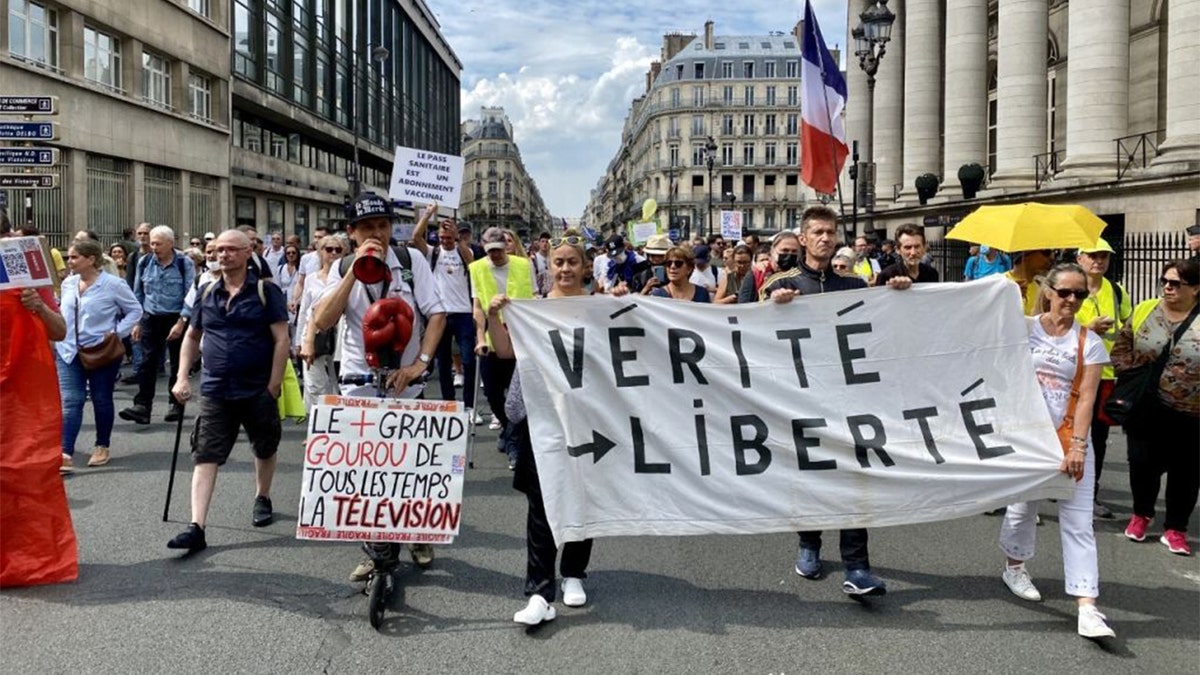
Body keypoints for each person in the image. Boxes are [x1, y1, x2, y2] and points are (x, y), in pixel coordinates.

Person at [761, 206, 910, 597]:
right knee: (812, 474)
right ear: (804, 238)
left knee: (854, 477)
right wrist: (772, 304)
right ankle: (809, 542)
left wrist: (897, 295)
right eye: (818, 232)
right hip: (802, 398)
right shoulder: (781, 283)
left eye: (831, 232)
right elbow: (754, 330)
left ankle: (857, 566)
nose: (825, 238)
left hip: (848, 399)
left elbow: (880, 328)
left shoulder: (854, 286)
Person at [486, 231, 622, 626]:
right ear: (551, 267)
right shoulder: (533, 309)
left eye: (572, 262)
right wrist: (496, 317)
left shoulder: (601, 308)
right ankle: (539, 591)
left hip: (588, 417)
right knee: (541, 505)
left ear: (585, 267)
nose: (565, 268)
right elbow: (506, 351)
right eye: (559, 262)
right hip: (542, 417)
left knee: (583, 493)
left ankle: (575, 573)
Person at [311, 193, 446, 579]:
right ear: (351, 233)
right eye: (368, 228)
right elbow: (323, 320)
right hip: (360, 380)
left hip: (406, 380)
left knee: (409, 464)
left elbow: (435, 316)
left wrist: (420, 365)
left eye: (383, 226)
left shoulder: (410, 260)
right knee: (367, 468)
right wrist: (356, 270)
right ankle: (374, 549)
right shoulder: (342, 267)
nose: (378, 234)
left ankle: (417, 531)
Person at [998, 262, 1115, 640]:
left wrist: (1079, 445)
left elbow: (1087, 401)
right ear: (1047, 291)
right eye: (1064, 291)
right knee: (1022, 508)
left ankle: (1087, 606)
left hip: (1069, 439)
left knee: (1079, 522)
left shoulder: (1089, 342)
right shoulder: (1023, 329)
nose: (1071, 300)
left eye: (1079, 294)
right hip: (1028, 440)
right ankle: (1014, 566)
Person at [166, 230, 291, 552]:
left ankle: (262, 496)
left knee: (264, 446)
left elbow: (281, 339)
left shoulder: (266, 291)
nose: (223, 255)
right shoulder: (207, 292)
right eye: (219, 250)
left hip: (256, 388)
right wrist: (181, 377)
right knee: (205, 453)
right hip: (215, 388)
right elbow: (192, 336)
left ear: (248, 252)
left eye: (231, 250)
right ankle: (197, 526)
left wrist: (274, 386)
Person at [1112, 259, 1199, 556]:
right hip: (1146, 406)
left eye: (1176, 283)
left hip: (1192, 411)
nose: (1167, 287)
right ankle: (1141, 514)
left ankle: (1175, 528)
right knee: (1142, 463)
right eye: (1164, 281)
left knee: (1186, 472)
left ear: (1196, 288)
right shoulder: (1145, 309)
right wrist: (1132, 374)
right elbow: (1121, 346)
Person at [54, 240, 142, 472]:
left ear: (91, 259)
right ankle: (65, 452)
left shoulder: (113, 284)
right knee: (72, 401)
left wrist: (116, 333)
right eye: (69, 257)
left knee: (102, 399)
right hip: (68, 350)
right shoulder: (68, 283)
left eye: (74, 257)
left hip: (101, 351)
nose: (69, 261)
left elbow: (135, 310)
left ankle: (102, 445)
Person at [1071, 238, 1132, 520]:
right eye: (1093, 255)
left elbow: (1129, 327)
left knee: (1097, 436)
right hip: (1069, 373)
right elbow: (1053, 324)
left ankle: (1089, 494)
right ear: (1080, 258)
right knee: (1062, 431)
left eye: (1104, 256)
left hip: (1104, 374)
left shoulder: (1117, 291)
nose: (1099, 261)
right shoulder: (1068, 288)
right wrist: (1087, 328)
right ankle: (1054, 483)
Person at [470, 227, 536, 462]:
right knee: (492, 392)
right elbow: (477, 307)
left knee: (518, 395)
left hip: (520, 337)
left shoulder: (523, 265)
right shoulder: (476, 268)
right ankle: (510, 430)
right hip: (491, 336)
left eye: (498, 250)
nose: (495, 255)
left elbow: (534, 299)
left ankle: (513, 443)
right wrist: (479, 338)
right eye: (490, 251)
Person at [412, 205, 480, 423]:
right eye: (442, 237)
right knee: (443, 363)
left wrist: (458, 238)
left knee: (469, 361)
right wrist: (428, 215)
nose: (445, 240)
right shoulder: (434, 253)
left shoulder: (464, 252)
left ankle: (470, 405)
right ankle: (449, 403)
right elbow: (416, 237)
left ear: (456, 236)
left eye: (449, 237)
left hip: (463, 314)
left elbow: (473, 264)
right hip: (440, 314)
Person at [121, 225, 193, 425]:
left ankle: (175, 404)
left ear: (170, 243)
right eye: (152, 243)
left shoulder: (183, 262)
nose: (153, 247)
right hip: (150, 317)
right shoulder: (144, 262)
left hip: (175, 317)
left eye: (158, 244)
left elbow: (190, 294)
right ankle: (142, 406)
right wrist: (137, 321)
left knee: (178, 363)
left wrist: (182, 321)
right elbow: (137, 293)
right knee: (146, 363)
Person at [296, 235, 344, 410]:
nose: (333, 253)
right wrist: (299, 342)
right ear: (320, 252)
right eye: (328, 249)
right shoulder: (311, 279)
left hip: (339, 335)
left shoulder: (347, 277)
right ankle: (315, 428)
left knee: (338, 382)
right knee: (314, 382)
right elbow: (305, 311)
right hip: (313, 334)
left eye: (338, 250)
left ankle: (336, 425)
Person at [874, 224, 940, 286]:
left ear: (924, 248)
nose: (913, 253)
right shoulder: (887, 275)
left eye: (917, 247)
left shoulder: (932, 273)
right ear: (897, 250)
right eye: (907, 247)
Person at [1005, 249, 1052, 316]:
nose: (1051, 258)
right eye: (1046, 253)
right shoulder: (999, 285)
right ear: (1026, 254)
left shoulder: (1041, 291)